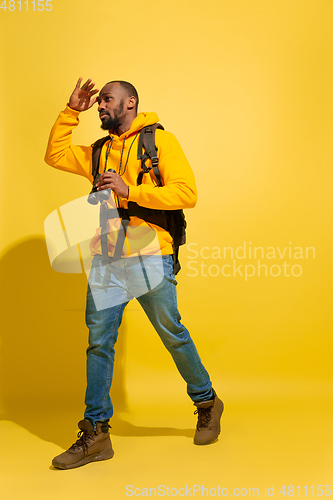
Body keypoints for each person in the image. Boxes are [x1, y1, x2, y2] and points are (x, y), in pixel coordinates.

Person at [45, 77, 224, 470]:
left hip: (151, 251)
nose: (100, 106)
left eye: (106, 100)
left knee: (171, 332)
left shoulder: (160, 142)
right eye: (98, 102)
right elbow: (55, 155)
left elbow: (187, 193)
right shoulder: (99, 151)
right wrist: (70, 111)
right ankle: (96, 433)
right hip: (107, 253)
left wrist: (131, 191)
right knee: (99, 342)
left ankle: (207, 401)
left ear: (130, 103)